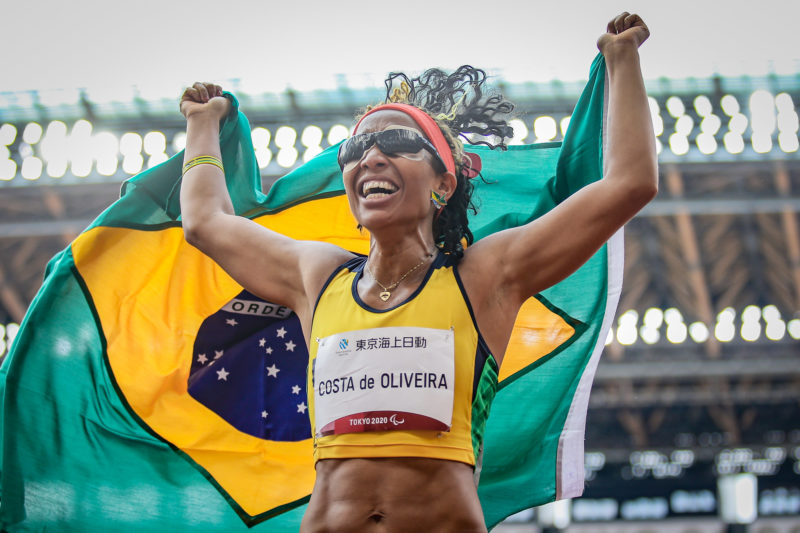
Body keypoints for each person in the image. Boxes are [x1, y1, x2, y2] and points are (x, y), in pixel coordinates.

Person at [178, 11, 656, 533]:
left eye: (399, 144)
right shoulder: (318, 278)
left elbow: (629, 184)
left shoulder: (485, 276)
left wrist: (622, 59)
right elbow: (206, 223)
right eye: (357, 149)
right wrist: (203, 123)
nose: (373, 157)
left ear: (443, 184)